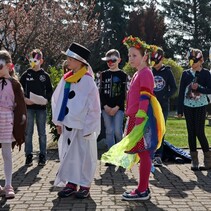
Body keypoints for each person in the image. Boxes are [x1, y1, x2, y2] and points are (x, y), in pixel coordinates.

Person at [101, 36, 165, 201]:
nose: (130, 58)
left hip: (141, 120)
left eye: (134, 55)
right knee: (142, 154)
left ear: (144, 56)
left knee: (144, 154)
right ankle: (143, 188)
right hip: (135, 118)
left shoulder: (145, 73)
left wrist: (139, 120)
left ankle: (143, 190)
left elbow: (145, 98)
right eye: (129, 56)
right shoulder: (139, 73)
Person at [51, 42, 101, 199]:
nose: (67, 62)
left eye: (70, 59)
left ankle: (85, 185)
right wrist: (58, 121)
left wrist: (89, 128)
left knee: (85, 155)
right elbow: (58, 100)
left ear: (79, 61)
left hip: (82, 127)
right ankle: (71, 183)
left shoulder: (88, 81)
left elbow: (94, 107)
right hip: (68, 125)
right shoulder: (67, 79)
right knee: (69, 155)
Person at [177, 48, 211, 171]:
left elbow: (210, 89)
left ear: (201, 60)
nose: (193, 62)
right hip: (187, 107)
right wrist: (179, 110)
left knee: (199, 132)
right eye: (190, 60)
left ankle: (207, 159)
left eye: (195, 60)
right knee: (191, 132)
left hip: (201, 106)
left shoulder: (206, 73)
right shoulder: (185, 74)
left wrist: (199, 88)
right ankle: (194, 160)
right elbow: (181, 92)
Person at [0, 50, 27, 199]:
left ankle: (8, 184)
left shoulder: (15, 84)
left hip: (6, 120)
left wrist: (20, 125)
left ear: (9, 66)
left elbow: (21, 106)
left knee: (6, 154)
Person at [20, 49, 53, 166]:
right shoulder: (26, 75)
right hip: (28, 108)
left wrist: (46, 100)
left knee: (42, 133)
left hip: (41, 109)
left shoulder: (45, 76)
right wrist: (24, 99)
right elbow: (19, 90)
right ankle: (28, 155)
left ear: (41, 61)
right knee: (28, 132)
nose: (34, 62)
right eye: (32, 60)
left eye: (36, 60)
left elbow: (50, 91)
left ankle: (42, 156)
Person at [151, 47, 177, 166]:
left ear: (161, 59)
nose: (154, 65)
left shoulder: (167, 72)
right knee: (150, 129)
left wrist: (166, 96)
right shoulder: (149, 71)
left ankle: (158, 156)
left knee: (160, 130)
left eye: (156, 62)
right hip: (150, 105)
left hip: (163, 106)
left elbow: (174, 88)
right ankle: (149, 155)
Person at [100, 49, 128, 155]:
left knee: (117, 131)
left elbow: (123, 94)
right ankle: (111, 155)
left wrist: (117, 107)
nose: (110, 63)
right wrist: (105, 106)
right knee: (109, 131)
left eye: (113, 60)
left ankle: (120, 154)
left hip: (118, 108)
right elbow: (101, 92)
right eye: (108, 61)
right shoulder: (103, 75)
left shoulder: (123, 75)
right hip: (105, 108)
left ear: (119, 60)